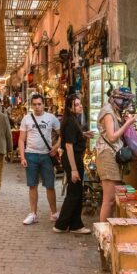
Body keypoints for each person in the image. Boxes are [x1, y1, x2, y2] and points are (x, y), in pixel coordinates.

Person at [95, 87, 137, 224]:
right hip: (107, 155)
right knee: (109, 199)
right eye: (126, 100)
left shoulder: (114, 110)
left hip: (112, 156)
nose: (128, 104)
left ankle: (108, 231)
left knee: (112, 200)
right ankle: (103, 233)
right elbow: (112, 137)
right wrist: (128, 124)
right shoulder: (108, 112)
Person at [18, 93, 61, 225]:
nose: (37, 107)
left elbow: (62, 134)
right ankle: (33, 214)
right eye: (35, 104)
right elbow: (21, 139)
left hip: (46, 155)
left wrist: (56, 147)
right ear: (32, 105)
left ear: (44, 105)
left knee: (50, 185)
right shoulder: (26, 119)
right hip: (31, 155)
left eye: (39, 104)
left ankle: (54, 213)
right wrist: (22, 156)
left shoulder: (51, 118)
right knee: (32, 185)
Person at [54, 94, 92, 234]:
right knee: (74, 192)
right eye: (76, 104)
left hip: (74, 158)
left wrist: (83, 134)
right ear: (70, 107)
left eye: (80, 103)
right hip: (73, 159)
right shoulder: (70, 121)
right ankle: (61, 224)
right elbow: (69, 146)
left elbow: (73, 138)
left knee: (76, 191)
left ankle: (76, 224)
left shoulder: (73, 119)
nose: (80, 106)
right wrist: (74, 170)